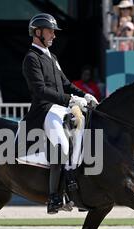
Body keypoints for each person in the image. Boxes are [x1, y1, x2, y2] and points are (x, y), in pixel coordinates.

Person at [22, 13, 98, 214]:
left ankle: (80, 189)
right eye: (50, 31)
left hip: (59, 108)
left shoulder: (51, 57)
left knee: (84, 138)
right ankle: (54, 197)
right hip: (44, 110)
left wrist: (85, 95)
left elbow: (65, 84)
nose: (54, 35)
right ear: (38, 33)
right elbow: (40, 91)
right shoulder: (31, 58)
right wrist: (70, 100)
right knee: (62, 144)